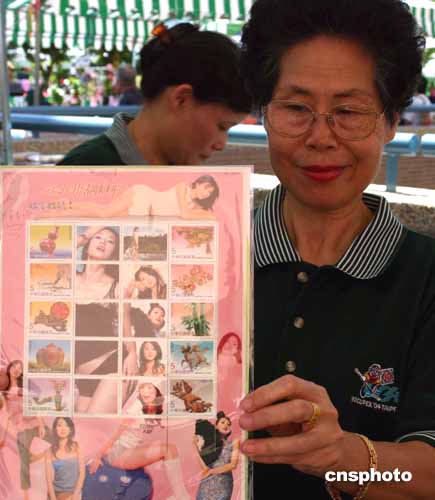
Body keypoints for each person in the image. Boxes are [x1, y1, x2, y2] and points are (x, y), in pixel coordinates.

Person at [238, 0, 435, 499]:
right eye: (296, 109)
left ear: (391, 121)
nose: (321, 137)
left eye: (348, 112)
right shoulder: (204, 258)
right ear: (264, 114)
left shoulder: (427, 278)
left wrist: (346, 460)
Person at [58, 22, 250, 166]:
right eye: (222, 126)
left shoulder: (197, 184)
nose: (221, 144)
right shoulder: (83, 170)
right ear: (181, 99)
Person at [87, 418, 191, 500]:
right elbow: (114, 436)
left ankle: (180, 495)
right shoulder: (134, 411)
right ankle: (181, 496)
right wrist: (97, 456)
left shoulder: (154, 412)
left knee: (169, 449)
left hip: (130, 451)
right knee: (167, 449)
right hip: (119, 453)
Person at [44, 175, 220, 221]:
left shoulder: (193, 205)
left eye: (209, 193)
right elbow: (185, 215)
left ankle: (64, 208)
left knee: (102, 210)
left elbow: (201, 215)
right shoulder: (183, 187)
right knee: (104, 212)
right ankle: (64, 207)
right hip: (143, 196)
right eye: (206, 188)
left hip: (143, 212)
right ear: (197, 183)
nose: (206, 193)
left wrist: (208, 214)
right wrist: (208, 215)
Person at [4, 360, 52, 500]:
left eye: (20, 368)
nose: (17, 369)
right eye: (15, 366)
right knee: (24, 462)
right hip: (21, 427)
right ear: (10, 367)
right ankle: (26, 497)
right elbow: (7, 414)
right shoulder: (4, 390)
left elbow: (35, 405)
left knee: (56, 444)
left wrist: (41, 425)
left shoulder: (23, 388)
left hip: (34, 422)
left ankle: (52, 491)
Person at [194, 411, 240, 500]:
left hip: (224, 483)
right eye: (223, 422)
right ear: (216, 426)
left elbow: (233, 465)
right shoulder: (209, 444)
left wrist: (212, 471)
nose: (226, 425)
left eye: (228, 424)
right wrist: (195, 447)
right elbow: (205, 468)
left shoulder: (234, 442)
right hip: (207, 484)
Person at [45, 417, 85, 500]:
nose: (63, 429)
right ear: (55, 429)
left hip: (73, 493)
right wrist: (53, 498)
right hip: (55, 493)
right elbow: (48, 479)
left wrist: (75, 495)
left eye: (66, 425)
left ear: (70, 429)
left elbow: (82, 473)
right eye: (59, 425)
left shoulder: (77, 447)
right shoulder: (49, 451)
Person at [75, 226, 120, 300]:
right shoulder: (68, 277)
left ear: (113, 255)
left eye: (110, 241)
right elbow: (57, 253)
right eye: (98, 237)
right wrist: (84, 238)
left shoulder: (117, 290)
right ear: (86, 248)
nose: (103, 242)